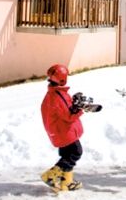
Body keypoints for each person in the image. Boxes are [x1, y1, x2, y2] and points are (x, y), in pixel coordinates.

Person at [40, 64, 101, 192]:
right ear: (62, 78)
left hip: (58, 131)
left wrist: (74, 103)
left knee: (67, 155)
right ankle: (50, 175)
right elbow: (69, 115)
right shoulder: (57, 95)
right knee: (75, 152)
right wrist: (79, 109)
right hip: (64, 131)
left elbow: (64, 109)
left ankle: (66, 182)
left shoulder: (53, 93)